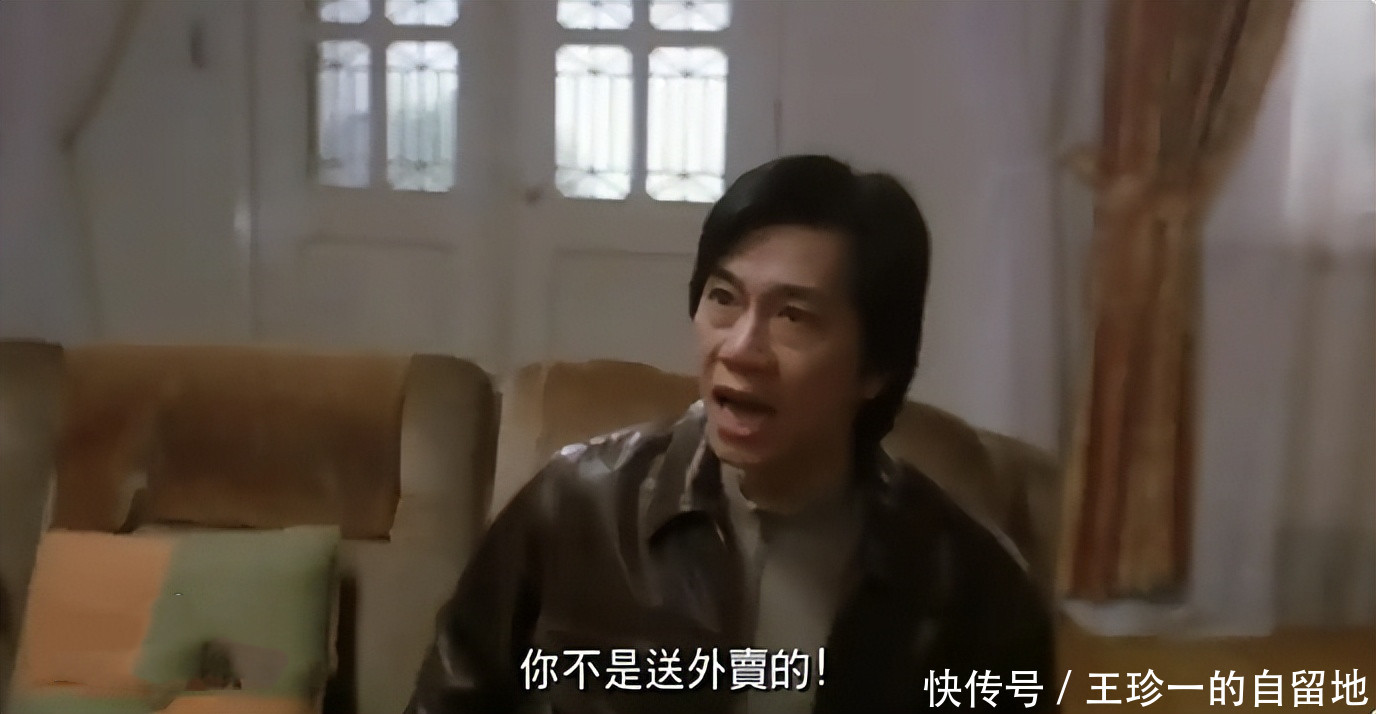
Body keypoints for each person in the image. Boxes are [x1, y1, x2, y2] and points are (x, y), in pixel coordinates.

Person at [405, 155, 1054, 713]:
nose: (741, 348)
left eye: (793, 316)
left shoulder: (964, 583)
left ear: (875, 368)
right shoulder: (577, 508)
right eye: (724, 298)